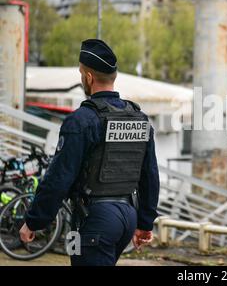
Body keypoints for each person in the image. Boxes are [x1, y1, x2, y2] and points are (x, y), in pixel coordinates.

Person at [19, 39, 160, 266]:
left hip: (95, 220)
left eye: (81, 73)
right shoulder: (139, 119)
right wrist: (144, 223)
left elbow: (59, 178)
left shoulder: (82, 121)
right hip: (126, 217)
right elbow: (150, 176)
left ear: (88, 77)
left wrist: (34, 221)